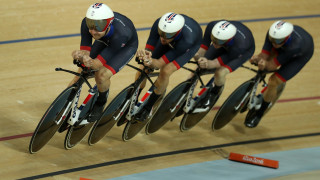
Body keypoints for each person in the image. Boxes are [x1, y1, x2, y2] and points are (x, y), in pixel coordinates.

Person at [70, 3, 138, 125]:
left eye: (98, 26)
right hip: (104, 39)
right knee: (80, 73)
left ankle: (101, 102)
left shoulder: (121, 34)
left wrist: (88, 61)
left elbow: (96, 64)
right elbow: (86, 52)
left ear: (109, 24)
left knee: (101, 75)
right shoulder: (88, 25)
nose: (93, 31)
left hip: (124, 46)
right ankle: (66, 102)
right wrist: (80, 56)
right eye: (90, 26)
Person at [134, 12, 203, 123]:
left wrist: (151, 62)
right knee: (143, 67)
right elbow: (149, 53)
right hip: (175, 33)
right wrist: (145, 58)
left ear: (177, 33)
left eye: (167, 35)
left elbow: (159, 63)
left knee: (166, 71)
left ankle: (148, 107)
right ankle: (133, 97)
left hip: (191, 45)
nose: (162, 38)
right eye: (161, 33)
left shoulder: (187, 41)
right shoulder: (159, 24)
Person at [245, 20, 314, 128]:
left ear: (287, 38)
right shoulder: (272, 35)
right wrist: (258, 59)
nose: (275, 43)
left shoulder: (295, 46)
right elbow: (264, 55)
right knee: (264, 62)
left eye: (278, 41)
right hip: (286, 47)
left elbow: (272, 65)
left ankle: (260, 112)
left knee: (273, 81)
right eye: (273, 40)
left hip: (300, 56)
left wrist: (265, 64)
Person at [195, 20, 255, 110]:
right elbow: (202, 49)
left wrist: (208, 64)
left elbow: (214, 63)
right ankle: (185, 90)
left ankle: (215, 92)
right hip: (226, 43)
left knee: (220, 72)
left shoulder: (240, 46)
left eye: (217, 41)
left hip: (242, 52)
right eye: (213, 39)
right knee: (197, 68)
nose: (214, 43)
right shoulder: (212, 26)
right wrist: (198, 57)